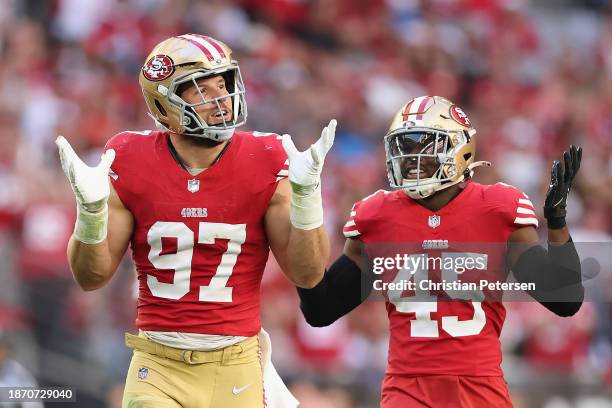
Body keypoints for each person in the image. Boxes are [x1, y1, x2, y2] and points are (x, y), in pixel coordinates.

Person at [56, 33, 335, 408]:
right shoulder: (129, 157)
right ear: (164, 103)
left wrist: (306, 199)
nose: (220, 99)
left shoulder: (267, 156)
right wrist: (90, 214)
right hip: (158, 364)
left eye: (223, 84)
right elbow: (91, 278)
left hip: (236, 364)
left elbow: (309, 274)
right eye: (201, 90)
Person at [297, 96, 584, 407]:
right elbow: (321, 309)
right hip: (407, 391)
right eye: (403, 147)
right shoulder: (377, 217)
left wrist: (556, 221)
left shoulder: (496, 209)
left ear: (459, 148)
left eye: (423, 145)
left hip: (479, 391)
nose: (410, 157)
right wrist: (303, 211)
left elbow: (565, 300)